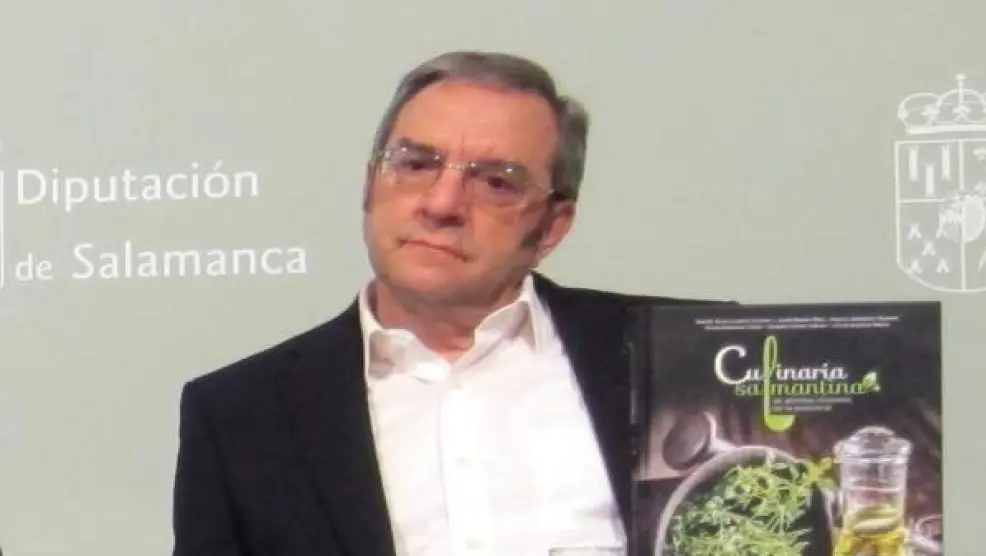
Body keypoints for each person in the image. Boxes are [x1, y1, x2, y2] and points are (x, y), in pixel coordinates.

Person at [171, 50, 724, 556]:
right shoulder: (241, 415)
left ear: (552, 226)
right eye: (416, 164)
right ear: (370, 185)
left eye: (496, 183)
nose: (441, 204)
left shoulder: (688, 354)